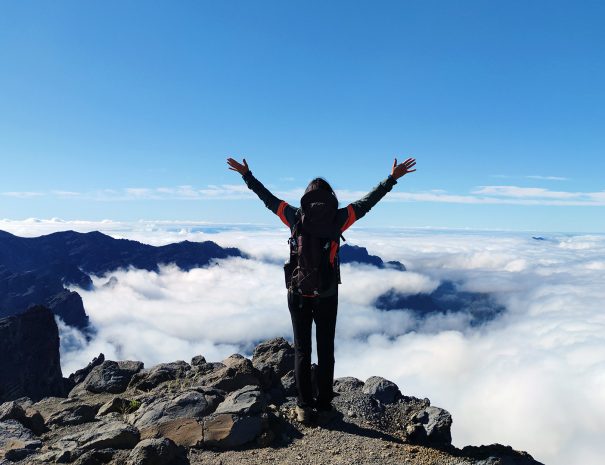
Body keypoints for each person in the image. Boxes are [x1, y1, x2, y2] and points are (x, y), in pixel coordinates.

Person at [227, 156, 416, 424]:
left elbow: (268, 199)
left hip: (298, 292)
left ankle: (304, 408)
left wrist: (247, 175)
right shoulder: (338, 219)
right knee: (326, 349)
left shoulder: (295, 217)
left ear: (306, 197)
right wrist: (391, 179)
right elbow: (366, 204)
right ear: (330, 198)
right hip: (327, 294)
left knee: (302, 350)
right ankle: (325, 406)